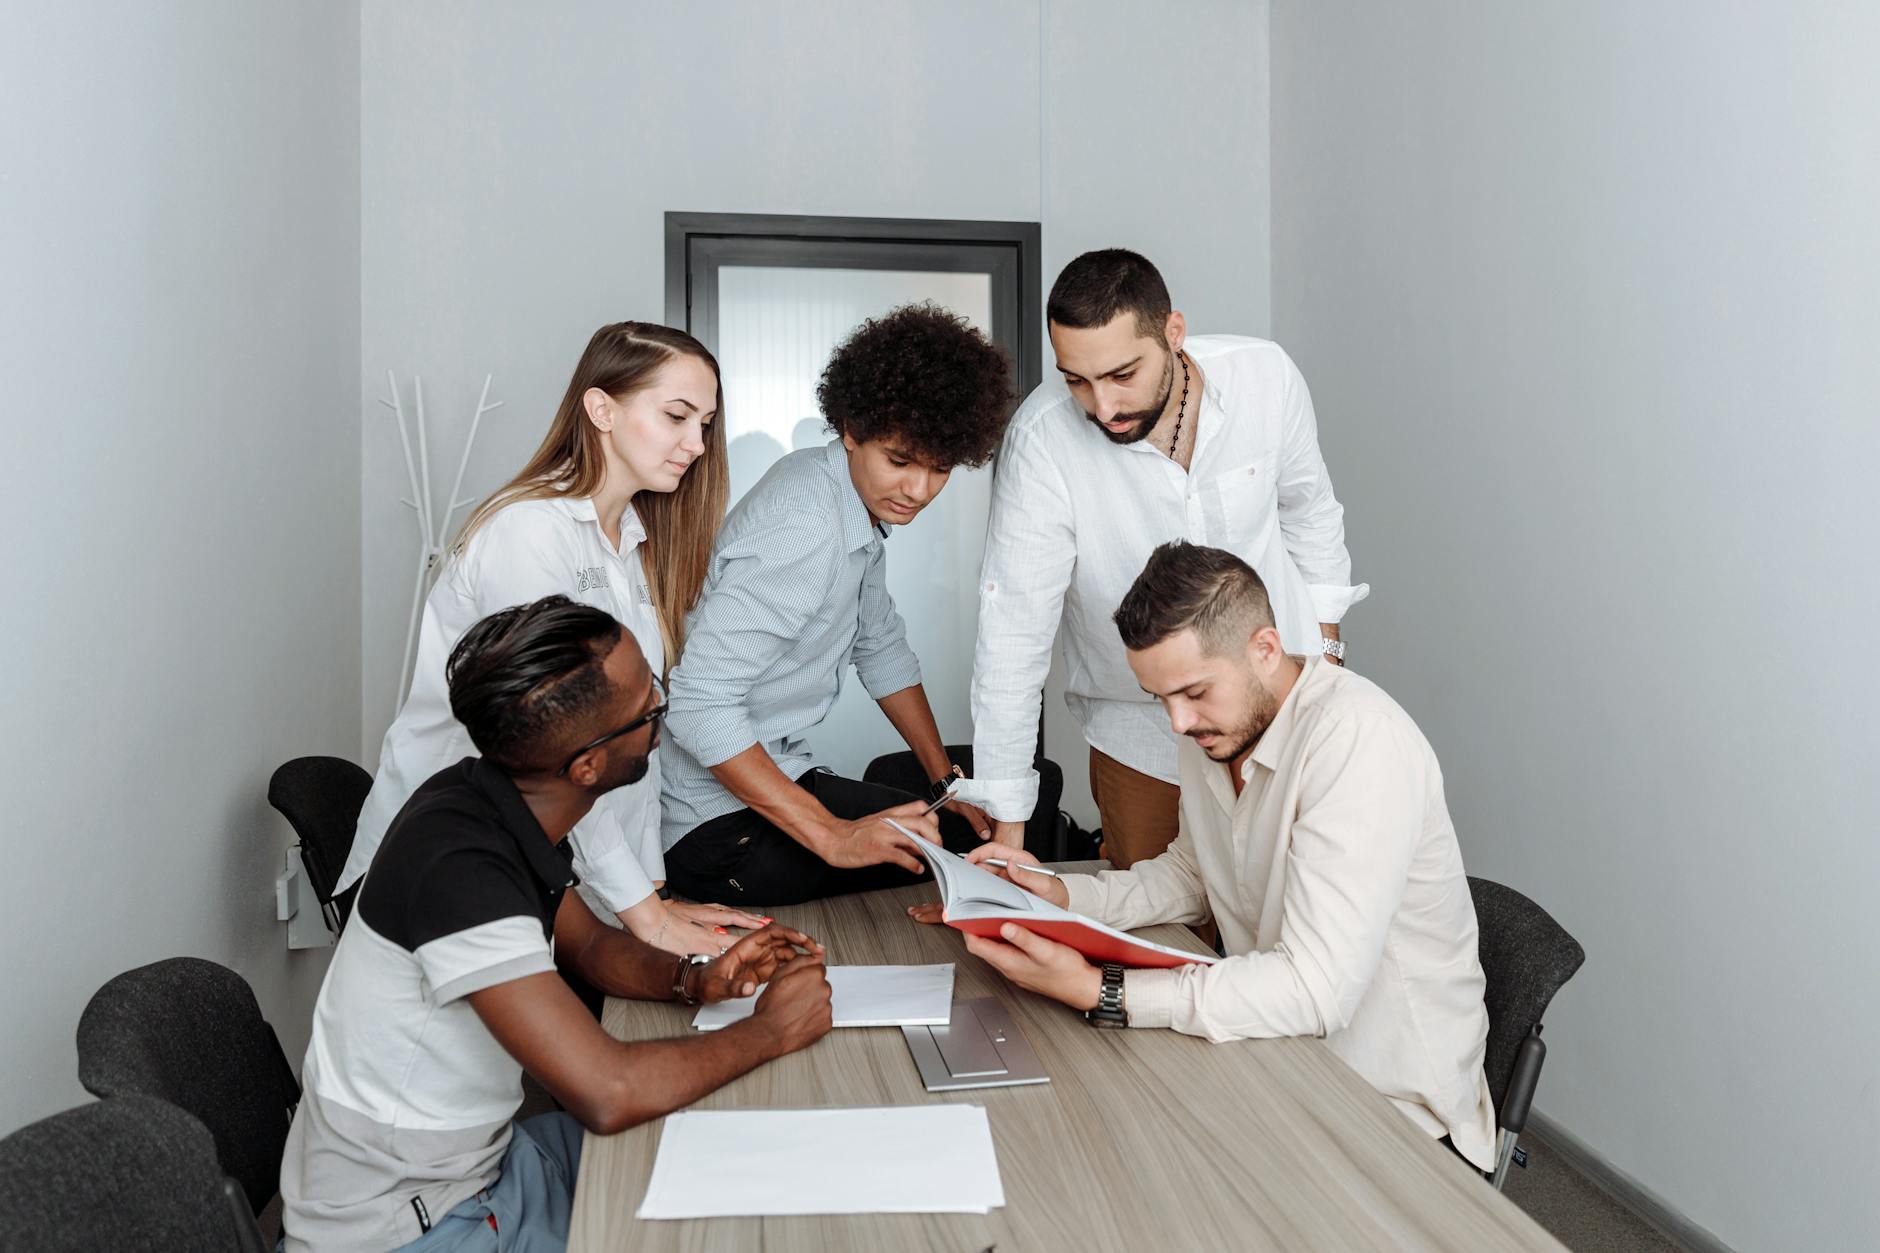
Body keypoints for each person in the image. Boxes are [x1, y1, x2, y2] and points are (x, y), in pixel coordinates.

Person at [279, 597, 834, 1251]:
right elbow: (607, 1089)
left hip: (489, 1163)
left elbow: (591, 945)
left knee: (743, 1157)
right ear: (587, 766)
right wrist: (771, 1031)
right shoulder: (461, 869)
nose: (662, 702)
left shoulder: (492, 799)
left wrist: (697, 978)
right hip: (411, 1223)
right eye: (648, 707)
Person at [929, 543, 1494, 1170]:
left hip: (1389, 1108)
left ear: (1266, 649)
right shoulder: (1221, 728)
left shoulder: (1357, 743)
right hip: (1285, 1057)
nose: (1177, 722)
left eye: (1194, 692)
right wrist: (1060, 893)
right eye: (1161, 698)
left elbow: (1314, 992)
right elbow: (1193, 875)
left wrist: (1103, 990)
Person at [341, 322, 761, 956]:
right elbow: (559, 744)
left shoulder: (635, 544)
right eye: (677, 416)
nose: (697, 443)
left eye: (704, 423)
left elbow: (626, 748)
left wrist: (652, 895)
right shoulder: (529, 533)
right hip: (442, 863)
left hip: (541, 868)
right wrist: (644, 916)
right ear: (601, 409)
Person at [958, 249, 1368, 870]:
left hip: (1280, 710)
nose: (1101, 407)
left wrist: (1328, 658)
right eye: (1076, 380)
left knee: (1299, 915)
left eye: (1122, 375)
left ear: (1173, 333)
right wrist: (1008, 818)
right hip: (1141, 735)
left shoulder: (1265, 378)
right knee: (1162, 932)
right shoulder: (1042, 442)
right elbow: (1013, 633)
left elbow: (1310, 515)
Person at [660, 303, 1015, 905]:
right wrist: (833, 837)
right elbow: (697, 705)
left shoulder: (848, 502)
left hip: (775, 778)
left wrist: (944, 781)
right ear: (851, 428)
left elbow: (881, 648)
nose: (919, 491)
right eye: (900, 461)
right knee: (956, 865)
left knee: (953, 830)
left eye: (940, 468)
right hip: (713, 827)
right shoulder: (807, 530)